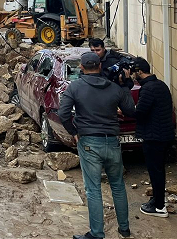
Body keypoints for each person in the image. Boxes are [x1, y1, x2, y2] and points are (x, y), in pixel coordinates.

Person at [58, 51, 136, 239]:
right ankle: (124, 229)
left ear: (82, 68)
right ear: (100, 66)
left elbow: (63, 113)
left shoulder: (75, 88)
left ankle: (96, 233)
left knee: (93, 189)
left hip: (89, 143)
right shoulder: (113, 88)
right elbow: (131, 111)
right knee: (117, 185)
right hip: (112, 142)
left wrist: (74, 132)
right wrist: (125, 86)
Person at [131, 56, 175, 218]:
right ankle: (157, 200)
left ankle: (159, 207)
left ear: (140, 72)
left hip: (155, 137)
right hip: (163, 135)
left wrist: (125, 111)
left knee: (155, 171)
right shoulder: (160, 84)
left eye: (134, 73)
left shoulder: (148, 89)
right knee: (158, 170)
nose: (133, 76)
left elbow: (140, 112)